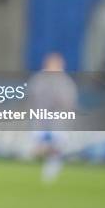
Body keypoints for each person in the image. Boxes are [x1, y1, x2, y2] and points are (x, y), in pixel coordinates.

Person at [28, 52, 78, 183]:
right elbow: (33, 97)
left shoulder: (65, 82)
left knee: (56, 146)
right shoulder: (39, 79)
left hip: (58, 120)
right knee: (38, 147)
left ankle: (51, 170)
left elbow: (68, 102)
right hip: (40, 119)